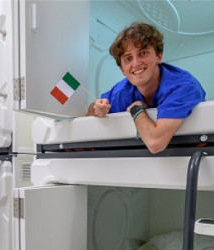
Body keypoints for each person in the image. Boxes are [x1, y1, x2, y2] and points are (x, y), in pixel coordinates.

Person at [87, 23, 206, 154]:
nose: (136, 63)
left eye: (143, 53)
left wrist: (136, 109)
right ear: (122, 69)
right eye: (128, 58)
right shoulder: (122, 91)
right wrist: (97, 108)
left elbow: (155, 143)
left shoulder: (183, 86)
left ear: (158, 56)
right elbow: (90, 109)